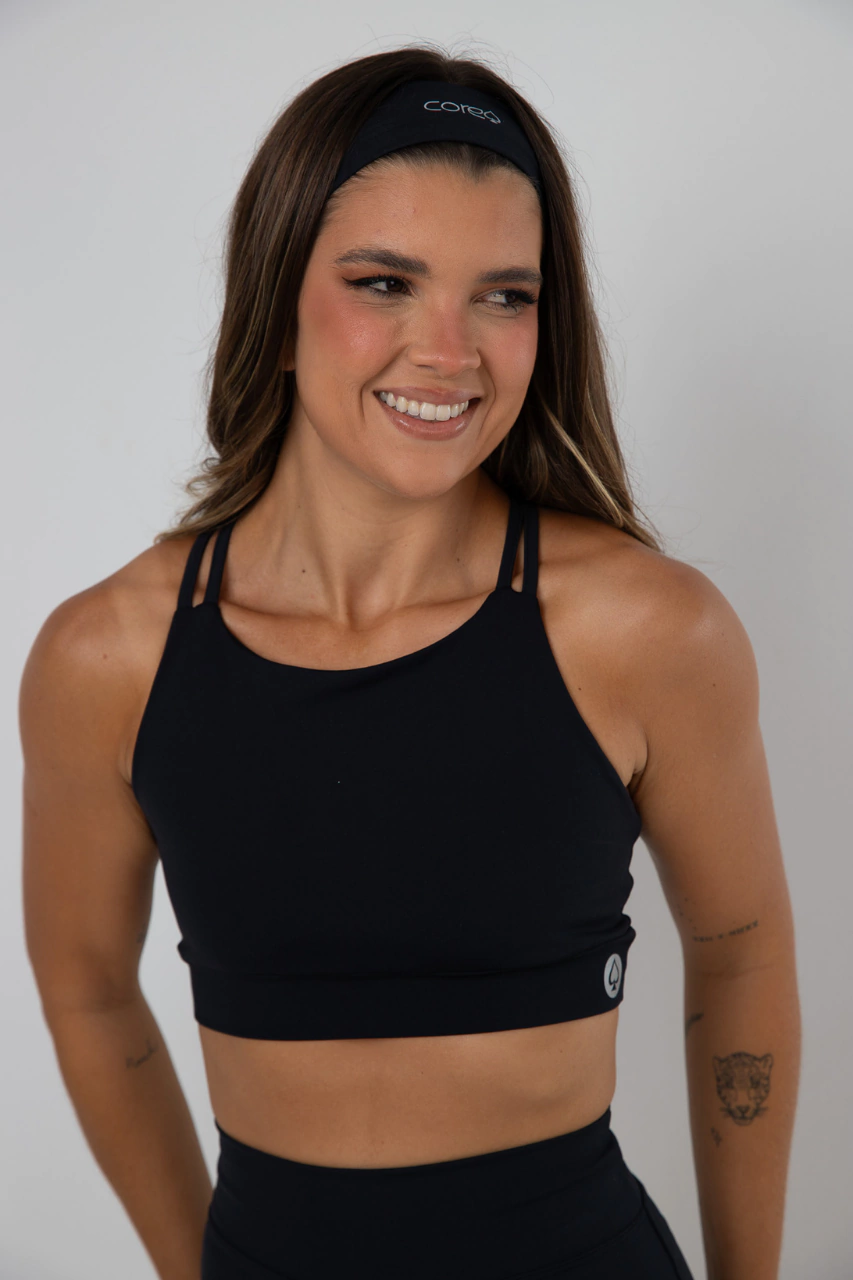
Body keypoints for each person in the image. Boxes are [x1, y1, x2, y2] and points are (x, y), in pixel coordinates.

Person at [20, 45, 800, 1280]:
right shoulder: (109, 657)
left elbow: (742, 951)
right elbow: (86, 990)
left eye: (505, 295)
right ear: (275, 302)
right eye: (385, 282)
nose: (450, 349)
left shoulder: (646, 632)